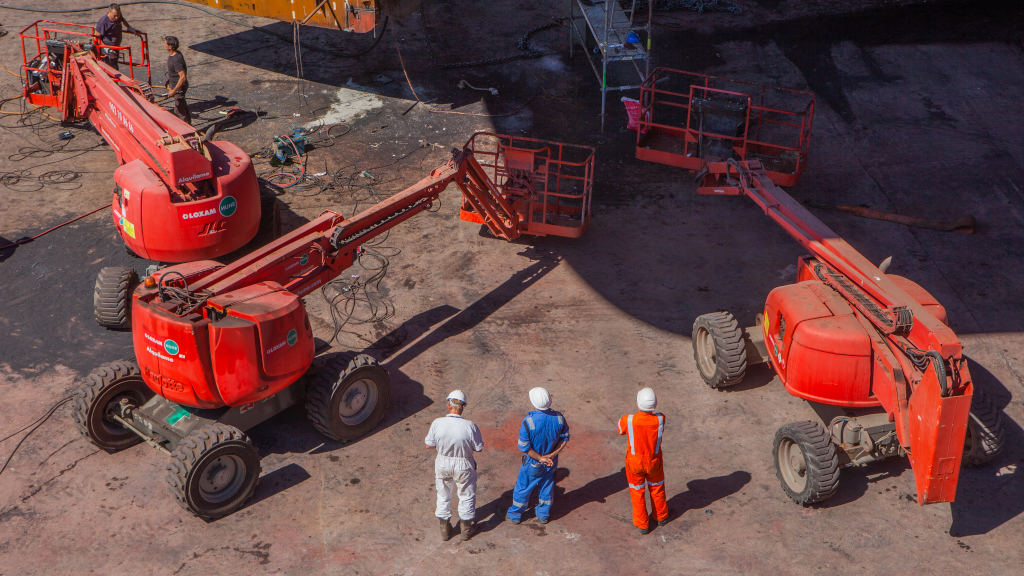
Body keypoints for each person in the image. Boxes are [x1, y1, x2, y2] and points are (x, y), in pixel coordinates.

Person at [424, 390, 484, 541]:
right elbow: (479, 447)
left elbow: (428, 445)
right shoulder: (470, 426)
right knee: (466, 495)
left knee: (443, 494)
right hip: (463, 463)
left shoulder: (437, 423)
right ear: (463, 406)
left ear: (448, 404)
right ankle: (466, 529)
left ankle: (444, 529)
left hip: (443, 462)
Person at [506, 387, 570, 525]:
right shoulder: (559, 418)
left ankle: (515, 515)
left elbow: (524, 447)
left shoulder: (528, 422)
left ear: (533, 402)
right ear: (550, 400)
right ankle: (543, 515)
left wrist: (540, 458)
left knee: (523, 487)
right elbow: (564, 439)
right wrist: (551, 456)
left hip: (532, 462)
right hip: (551, 462)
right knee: (547, 486)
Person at [618, 387, 668, 534]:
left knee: (637, 492)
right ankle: (661, 516)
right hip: (654, 461)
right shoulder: (660, 419)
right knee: (657, 488)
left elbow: (620, 429)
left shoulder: (629, 420)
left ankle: (642, 524)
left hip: (635, 463)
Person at [95, 3, 142, 70]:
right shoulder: (103, 22)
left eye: (118, 15)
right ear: (109, 12)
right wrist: (107, 49)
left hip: (115, 47)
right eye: (115, 16)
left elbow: (122, 19)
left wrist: (129, 28)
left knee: (114, 65)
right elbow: (96, 37)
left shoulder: (118, 17)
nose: (117, 17)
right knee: (111, 68)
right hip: (106, 48)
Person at [163, 36, 191, 124]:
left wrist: (174, 91)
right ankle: (189, 126)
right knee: (183, 107)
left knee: (179, 111)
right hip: (175, 85)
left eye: (166, 44)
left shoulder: (176, 59)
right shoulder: (175, 54)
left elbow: (182, 77)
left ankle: (187, 131)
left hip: (179, 88)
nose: (164, 45)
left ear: (170, 46)